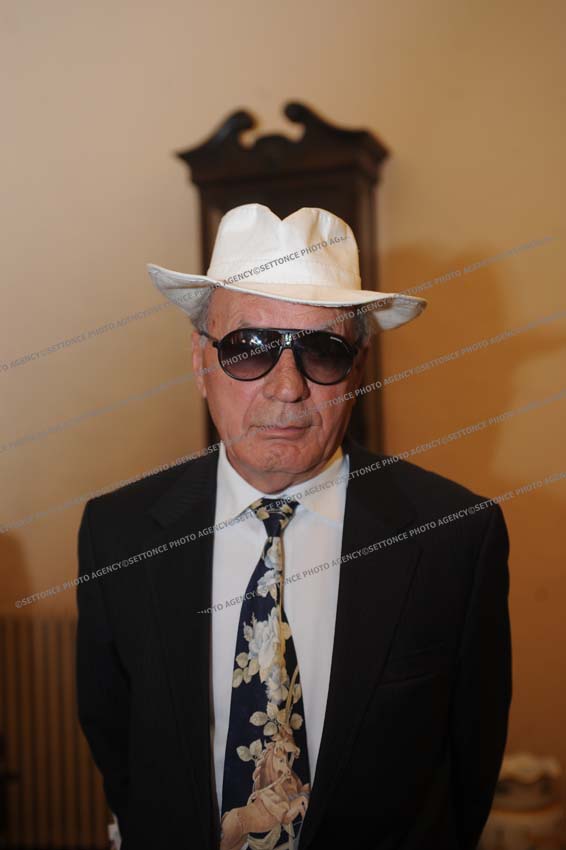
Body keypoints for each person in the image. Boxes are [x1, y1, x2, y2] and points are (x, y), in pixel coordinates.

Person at [76, 203, 512, 850]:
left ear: (358, 371)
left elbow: (465, 774)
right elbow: (121, 751)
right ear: (199, 363)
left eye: (322, 352)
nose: (287, 388)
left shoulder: (454, 539)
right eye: (248, 349)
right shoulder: (118, 536)